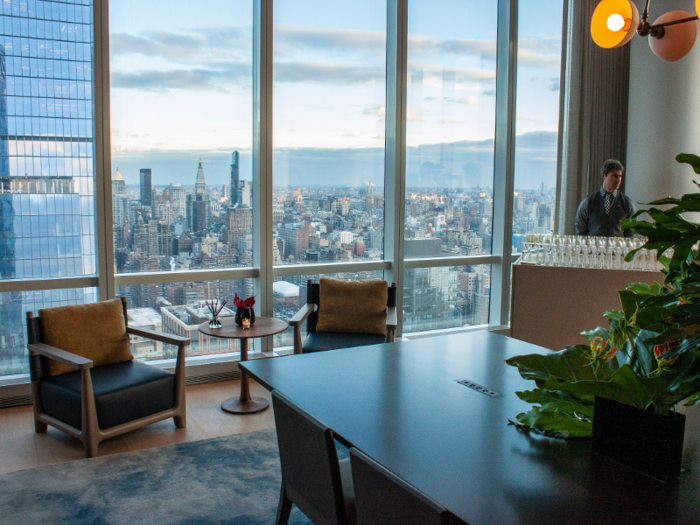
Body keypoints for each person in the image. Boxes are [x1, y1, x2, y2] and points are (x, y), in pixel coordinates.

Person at [575, 159, 636, 238]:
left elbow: (630, 231)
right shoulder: (588, 202)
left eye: (620, 176)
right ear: (604, 175)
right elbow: (580, 229)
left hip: (617, 249)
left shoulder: (627, 203)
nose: (619, 180)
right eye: (614, 176)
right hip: (593, 249)